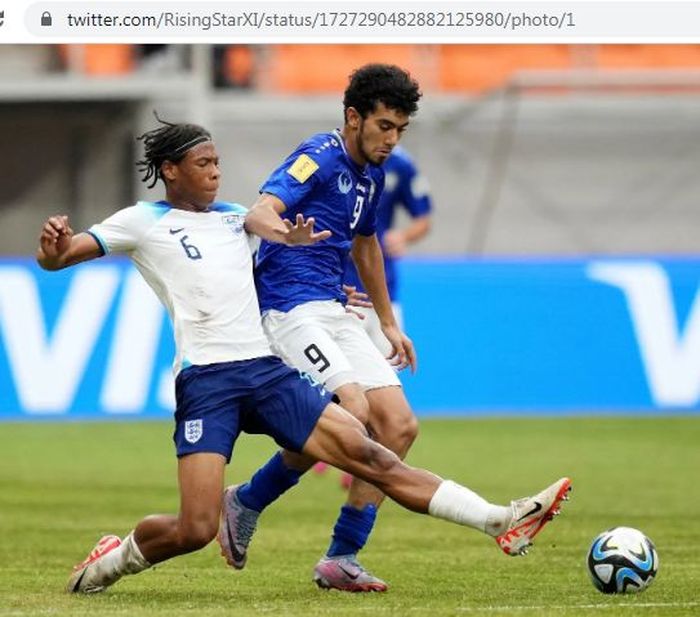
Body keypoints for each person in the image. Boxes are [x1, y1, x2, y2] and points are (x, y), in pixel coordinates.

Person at [37, 119, 571, 595]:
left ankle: (501, 521)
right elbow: (60, 258)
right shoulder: (140, 221)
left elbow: (269, 243)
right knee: (194, 529)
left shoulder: (233, 219)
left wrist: (326, 281)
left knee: (374, 455)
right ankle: (115, 558)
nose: (216, 173)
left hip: (265, 371)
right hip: (207, 381)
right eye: (203, 164)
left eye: (219, 163)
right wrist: (54, 243)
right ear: (170, 170)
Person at [219, 63, 559, 593]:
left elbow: (366, 244)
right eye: (383, 126)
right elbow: (257, 213)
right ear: (353, 117)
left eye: (400, 129)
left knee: (399, 426)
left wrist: (386, 321)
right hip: (290, 309)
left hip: (337, 308)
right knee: (353, 412)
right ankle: (247, 501)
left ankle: (340, 556)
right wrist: (287, 236)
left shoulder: (373, 175)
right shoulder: (319, 157)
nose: (391, 139)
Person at [343, 145, 432, 356]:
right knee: (346, 373)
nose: (391, 137)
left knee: (388, 371)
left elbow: (423, 219)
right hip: (343, 290)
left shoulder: (399, 163)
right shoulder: (333, 157)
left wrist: (404, 237)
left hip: (383, 289)